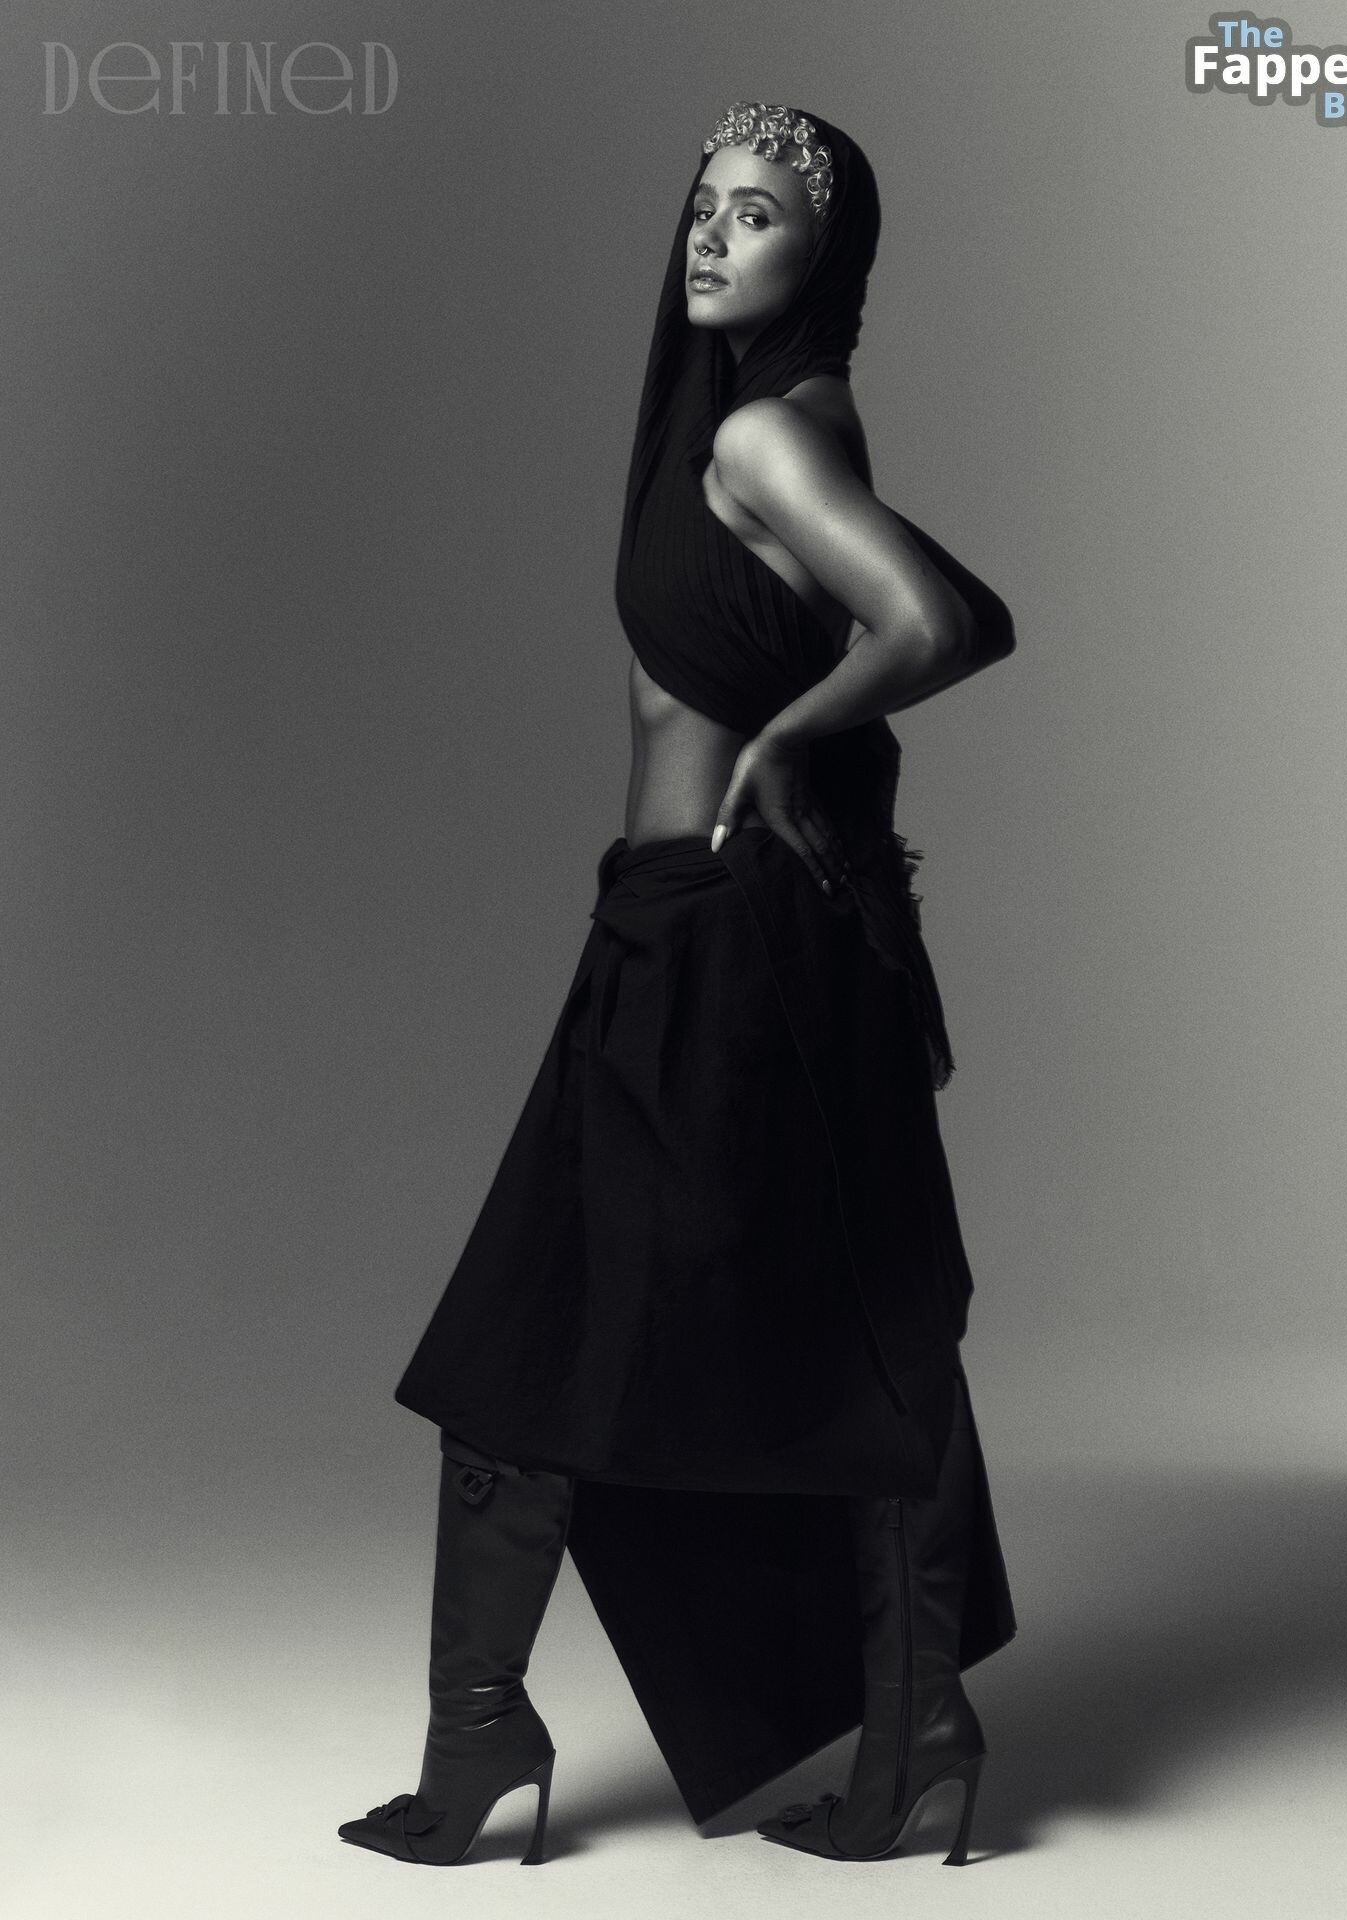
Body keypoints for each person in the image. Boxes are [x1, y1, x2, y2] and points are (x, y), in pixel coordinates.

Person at [338, 100, 1018, 1872]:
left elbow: (940, 625)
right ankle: (907, 1735)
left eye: (759, 213)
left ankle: (490, 1737)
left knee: (568, 1316)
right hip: (688, 922)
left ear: (826, 254)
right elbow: (954, 611)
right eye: (703, 205)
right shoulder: (780, 423)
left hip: (730, 940)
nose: (712, 237)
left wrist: (787, 738)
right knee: (850, 1317)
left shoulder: (767, 439)